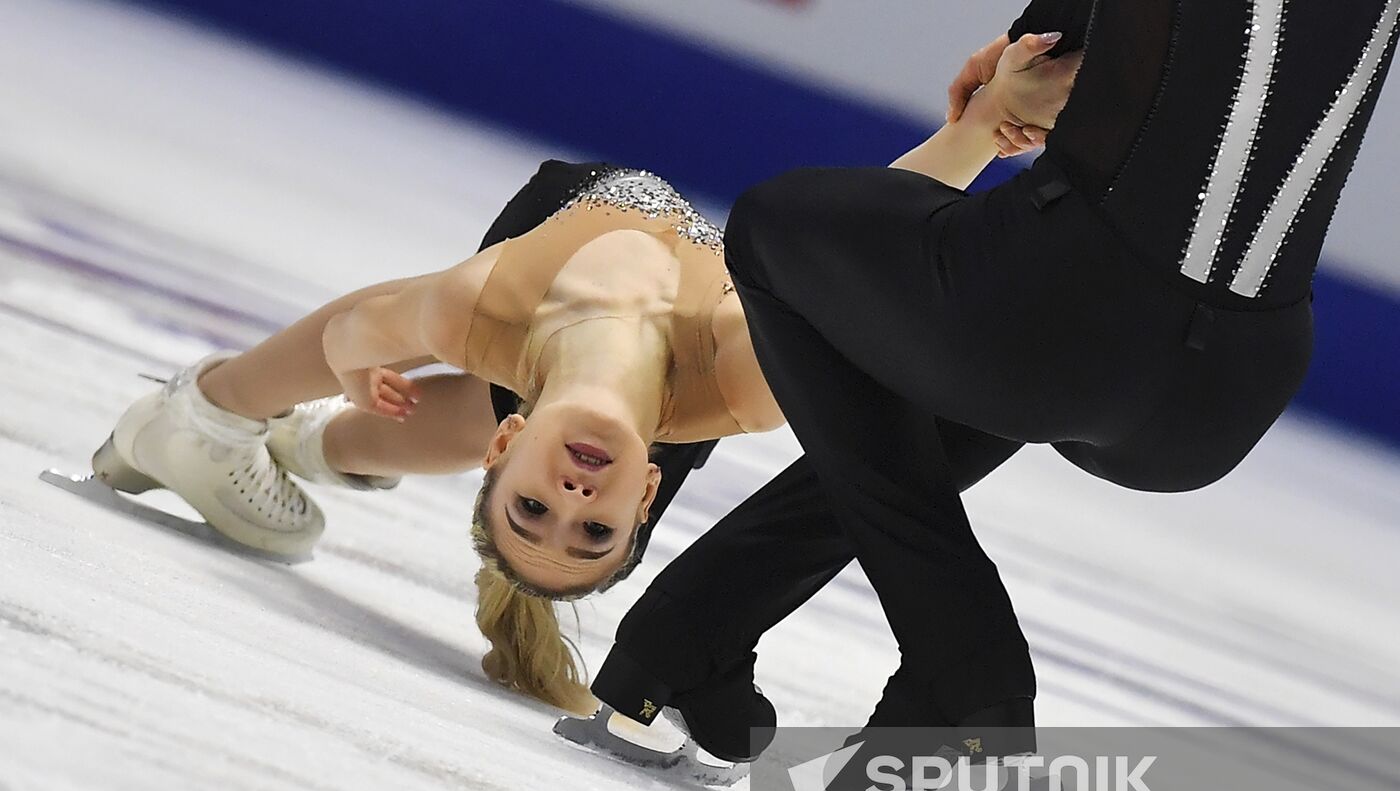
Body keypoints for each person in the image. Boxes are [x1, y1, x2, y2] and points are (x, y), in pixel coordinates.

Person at [90, 43, 1066, 713]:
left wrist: (348, 362)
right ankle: (295, 440)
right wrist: (981, 127)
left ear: (512, 464)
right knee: (479, 400)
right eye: (595, 528)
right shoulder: (736, 384)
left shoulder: (482, 311)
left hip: (557, 225)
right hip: (661, 358)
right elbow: (849, 251)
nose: (572, 500)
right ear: (642, 492)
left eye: (533, 513)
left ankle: (234, 423)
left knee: (445, 381)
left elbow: (356, 325)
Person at [587, 0, 1400, 772]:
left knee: (774, 230)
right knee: (990, 336)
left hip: (1073, 314)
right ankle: (685, 638)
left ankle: (964, 682)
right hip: (1233, 387)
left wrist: (1029, 56)